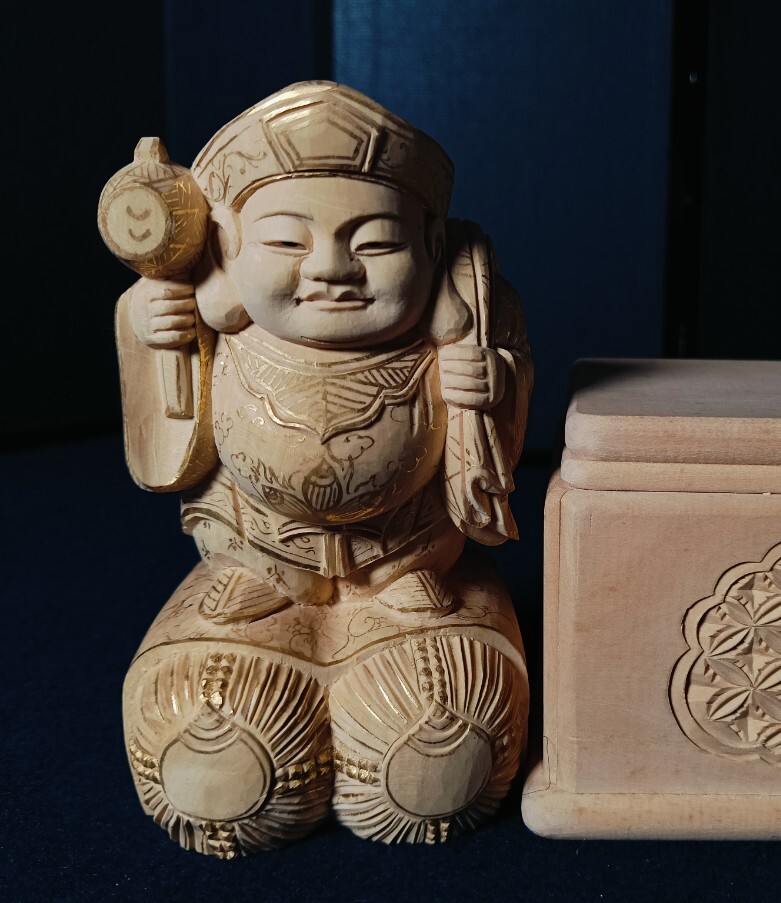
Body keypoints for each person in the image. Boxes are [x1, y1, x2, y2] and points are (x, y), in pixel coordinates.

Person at [114, 82, 531, 855]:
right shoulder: (220, 324)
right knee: (214, 748)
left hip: (408, 552)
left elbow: (491, 437)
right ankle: (265, 640)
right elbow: (165, 445)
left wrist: (491, 383)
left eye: (375, 244)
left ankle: (399, 666)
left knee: (443, 741)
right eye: (286, 242)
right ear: (229, 245)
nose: (333, 269)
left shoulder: (456, 329)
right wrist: (152, 329)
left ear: (431, 243)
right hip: (257, 547)